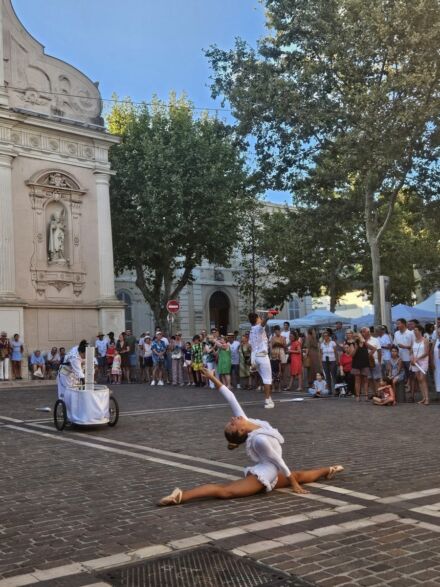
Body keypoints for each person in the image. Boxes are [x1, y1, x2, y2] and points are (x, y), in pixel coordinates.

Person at [159, 368, 344, 506]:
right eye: (232, 423)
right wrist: (294, 485)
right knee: (226, 491)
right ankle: (180, 495)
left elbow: (231, 397)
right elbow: (279, 461)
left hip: (270, 470)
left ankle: (329, 469)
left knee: (299, 474)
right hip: (265, 473)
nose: (233, 418)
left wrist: (213, 378)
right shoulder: (258, 439)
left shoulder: (247, 421)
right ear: (240, 431)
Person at [249, 311, 276, 409]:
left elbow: (251, 346)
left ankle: (269, 398)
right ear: (256, 320)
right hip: (262, 356)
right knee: (267, 379)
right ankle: (267, 400)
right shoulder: (258, 328)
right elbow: (263, 323)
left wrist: (252, 361)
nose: (260, 319)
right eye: (259, 318)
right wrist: (267, 317)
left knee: (264, 378)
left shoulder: (251, 330)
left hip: (256, 357)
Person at [57, 340, 87, 412]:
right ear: (81, 352)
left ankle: (74, 409)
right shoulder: (75, 358)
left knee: (75, 389)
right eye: (85, 355)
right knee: (67, 392)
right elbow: (80, 373)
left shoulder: (77, 348)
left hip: (71, 372)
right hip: (64, 374)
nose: (85, 357)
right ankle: (66, 412)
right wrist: (85, 384)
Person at [410, 324, 430, 405]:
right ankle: (423, 398)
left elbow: (426, 352)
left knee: (422, 379)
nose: (414, 332)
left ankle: (427, 398)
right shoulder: (414, 341)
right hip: (415, 362)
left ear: (420, 331)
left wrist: (417, 358)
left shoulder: (425, 340)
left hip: (423, 361)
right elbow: (411, 351)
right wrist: (412, 358)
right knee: (419, 379)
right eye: (414, 330)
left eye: (416, 330)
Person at [393, 318, 415, 391]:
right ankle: (403, 389)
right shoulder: (396, 333)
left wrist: (404, 346)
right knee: (401, 374)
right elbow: (395, 345)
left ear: (404, 324)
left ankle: (412, 389)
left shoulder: (411, 333)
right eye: (396, 323)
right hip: (399, 359)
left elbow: (414, 346)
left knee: (411, 374)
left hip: (408, 358)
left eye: (398, 323)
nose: (397, 325)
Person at [361, 327, 382, 398]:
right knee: (369, 378)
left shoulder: (375, 340)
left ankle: (378, 393)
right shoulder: (361, 341)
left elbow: (379, 351)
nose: (362, 333)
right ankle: (374, 393)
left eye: (364, 332)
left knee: (377, 378)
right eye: (362, 332)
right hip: (365, 362)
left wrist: (379, 361)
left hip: (375, 361)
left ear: (368, 332)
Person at [350, 333, 370, 401]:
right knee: (357, 380)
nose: (356, 337)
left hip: (365, 363)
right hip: (356, 364)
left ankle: (366, 396)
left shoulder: (364, 343)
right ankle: (357, 396)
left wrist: (368, 356)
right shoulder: (353, 344)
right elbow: (352, 355)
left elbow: (373, 348)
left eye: (357, 336)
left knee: (366, 380)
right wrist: (356, 348)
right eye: (355, 336)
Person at [320, 330, 338, 395]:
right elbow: (321, 353)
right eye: (324, 336)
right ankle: (329, 390)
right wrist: (321, 362)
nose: (325, 337)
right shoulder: (322, 344)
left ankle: (336, 390)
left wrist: (337, 361)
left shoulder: (333, 343)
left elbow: (336, 352)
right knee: (327, 376)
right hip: (325, 361)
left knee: (334, 375)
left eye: (326, 335)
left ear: (329, 336)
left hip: (332, 360)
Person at [269, 326, 286, 392]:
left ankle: (281, 383)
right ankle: (275, 384)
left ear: (280, 331)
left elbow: (285, 346)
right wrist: (274, 344)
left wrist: (281, 344)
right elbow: (271, 346)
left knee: (282, 368)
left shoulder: (283, 337)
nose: (277, 332)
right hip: (275, 352)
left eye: (278, 331)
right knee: (275, 368)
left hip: (281, 351)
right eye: (276, 331)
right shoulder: (273, 338)